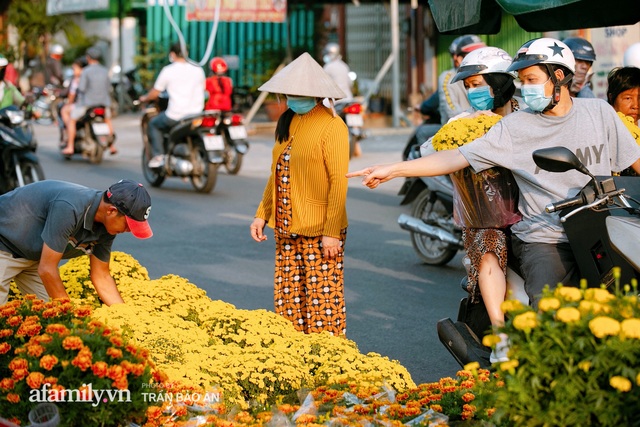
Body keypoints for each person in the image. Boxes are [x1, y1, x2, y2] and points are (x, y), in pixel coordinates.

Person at [347, 38, 640, 309]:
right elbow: (455, 157)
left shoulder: (599, 112)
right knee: (550, 314)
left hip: (600, 228)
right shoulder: (515, 127)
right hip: (546, 237)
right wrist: (393, 170)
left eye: (532, 80)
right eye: (522, 81)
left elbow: (635, 160)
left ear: (559, 77)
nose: (526, 89)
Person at [249, 52, 350, 336]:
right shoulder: (289, 121)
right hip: (285, 225)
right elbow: (276, 172)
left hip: (319, 228)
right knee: (288, 296)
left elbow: (338, 182)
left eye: (297, 93)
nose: (291, 98)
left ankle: (327, 358)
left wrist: (331, 232)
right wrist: (261, 214)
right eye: (288, 93)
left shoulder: (333, 126)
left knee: (322, 300)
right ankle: (295, 353)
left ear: (315, 94)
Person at [446, 46, 522, 362]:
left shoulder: (526, 115)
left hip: (531, 213)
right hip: (485, 218)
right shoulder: (464, 123)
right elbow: (434, 152)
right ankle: (501, 335)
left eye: (479, 84)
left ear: (499, 81)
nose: (473, 92)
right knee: (488, 242)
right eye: (469, 87)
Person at [0, 179, 153, 305]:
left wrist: (125, 316)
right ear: (111, 211)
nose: (129, 230)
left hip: (32, 257)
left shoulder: (107, 229)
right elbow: (47, 269)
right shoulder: (69, 208)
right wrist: (71, 318)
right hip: (4, 244)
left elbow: (102, 277)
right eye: (128, 224)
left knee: (46, 321)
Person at [139, 42, 205, 168]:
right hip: (197, 114)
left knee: (153, 124)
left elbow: (155, 92)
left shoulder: (168, 70)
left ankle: (159, 156)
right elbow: (203, 88)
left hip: (176, 115)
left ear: (173, 54)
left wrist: (144, 98)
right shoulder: (198, 69)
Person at [61, 47, 116, 156]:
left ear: (88, 58)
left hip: (87, 104)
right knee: (107, 120)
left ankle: (70, 146)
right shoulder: (105, 71)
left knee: (72, 119)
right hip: (104, 103)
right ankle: (112, 146)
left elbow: (81, 88)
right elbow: (108, 87)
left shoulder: (86, 71)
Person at [438, 35, 486, 124]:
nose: (480, 59)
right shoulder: (448, 79)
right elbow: (452, 112)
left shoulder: (489, 73)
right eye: (474, 54)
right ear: (460, 59)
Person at [59, 56, 87, 144]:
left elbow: (72, 95)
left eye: (74, 69)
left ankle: (70, 143)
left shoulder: (77, 79)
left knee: (65, 111)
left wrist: (68, 103)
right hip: (97, 103)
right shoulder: (92, 76)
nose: (73, 71)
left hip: (82, 105)